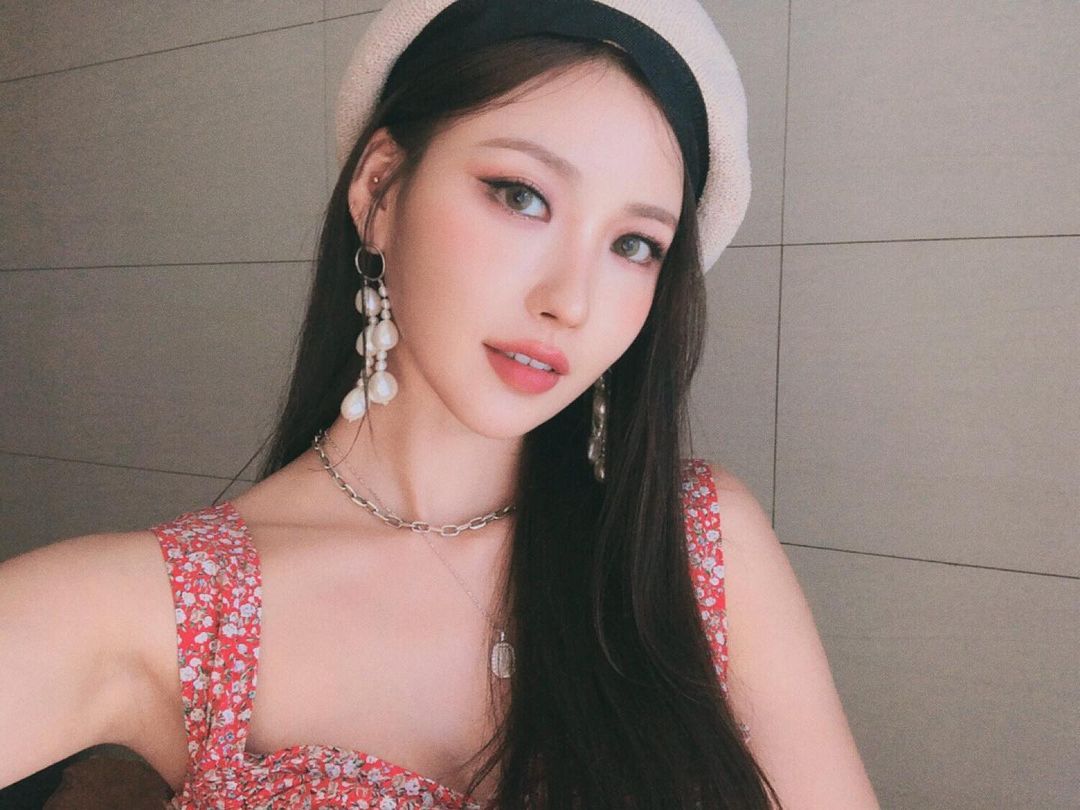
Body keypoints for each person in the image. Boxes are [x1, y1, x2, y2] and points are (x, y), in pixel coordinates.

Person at [0, 0, 880, 807]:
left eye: (635, 245)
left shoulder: (693, 548)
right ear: (380, 189)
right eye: (522, 196)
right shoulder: (167, 608)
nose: (570, 300)